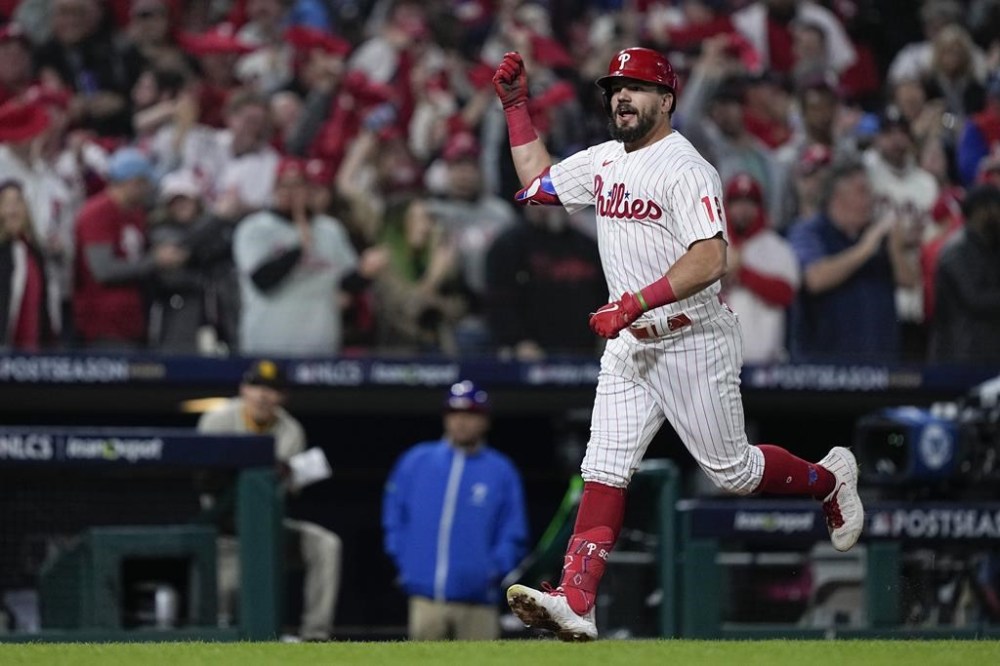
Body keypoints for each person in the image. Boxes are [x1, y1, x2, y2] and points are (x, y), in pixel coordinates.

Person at [491, 47, 864, 642]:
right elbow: (538, 181)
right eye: (616, 87)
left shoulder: (686, 166)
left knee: (734, 473)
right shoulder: (606, 159)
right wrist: (515, 107)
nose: (622, 97)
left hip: (691, 339)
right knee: (604, 469)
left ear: (666, 101)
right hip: (631, 345)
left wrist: (634, 301)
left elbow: (712, 257)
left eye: (636, 87)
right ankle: (578, 600)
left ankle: (828, 479)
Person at [197, 358, 342, 642]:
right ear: (243, 390)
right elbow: (204, 482)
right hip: (224, 537)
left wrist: (281, 473)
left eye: (272, 390)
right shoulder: (218, 421)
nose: (263, 395)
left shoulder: (291, 431)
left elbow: (285, 492)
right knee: (223, 608)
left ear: (282, 397)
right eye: (257, 387)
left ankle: (316, 635)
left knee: (326, 544)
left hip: (268, 531)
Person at [382, 380, 528, 641]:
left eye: (470, 414)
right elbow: (394, 518)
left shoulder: (501, 470)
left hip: (480, 600)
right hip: (425, 597)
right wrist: (407, 563)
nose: (461, 422)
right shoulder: (416, 461)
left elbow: (513, 532)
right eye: (454, 413)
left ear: (485, 421)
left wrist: (492, 571)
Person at [928, 184, 1000, 362]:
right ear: (983, 211)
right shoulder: (956, 251)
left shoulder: (993, 248)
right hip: (959, 355)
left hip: (989, 353)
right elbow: (975, 299)